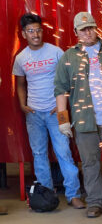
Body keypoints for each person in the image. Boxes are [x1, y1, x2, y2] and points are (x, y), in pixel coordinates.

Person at [54, 12, 102, 218]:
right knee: (89, 163)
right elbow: (60, 90)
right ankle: (95, 203)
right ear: (75, 32)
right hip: (84, 120)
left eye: (91, 28)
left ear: (96, 28)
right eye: (83, 29)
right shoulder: (69, 57)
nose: (88, 33)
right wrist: (63, 120)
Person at [13, 13, 84, 209]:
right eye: (30, 31)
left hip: (56, 111)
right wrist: (22, 105)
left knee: (64, 152)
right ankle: (46, 196)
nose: (35, 34)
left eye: (38, 30)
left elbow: (69, 79)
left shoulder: (56, 52)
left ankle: (73, 195)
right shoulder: (21, 58)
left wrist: (62, 104)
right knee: (39, 154)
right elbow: (20, 84)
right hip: (34, 114)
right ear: (24, 34)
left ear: (42, 31)